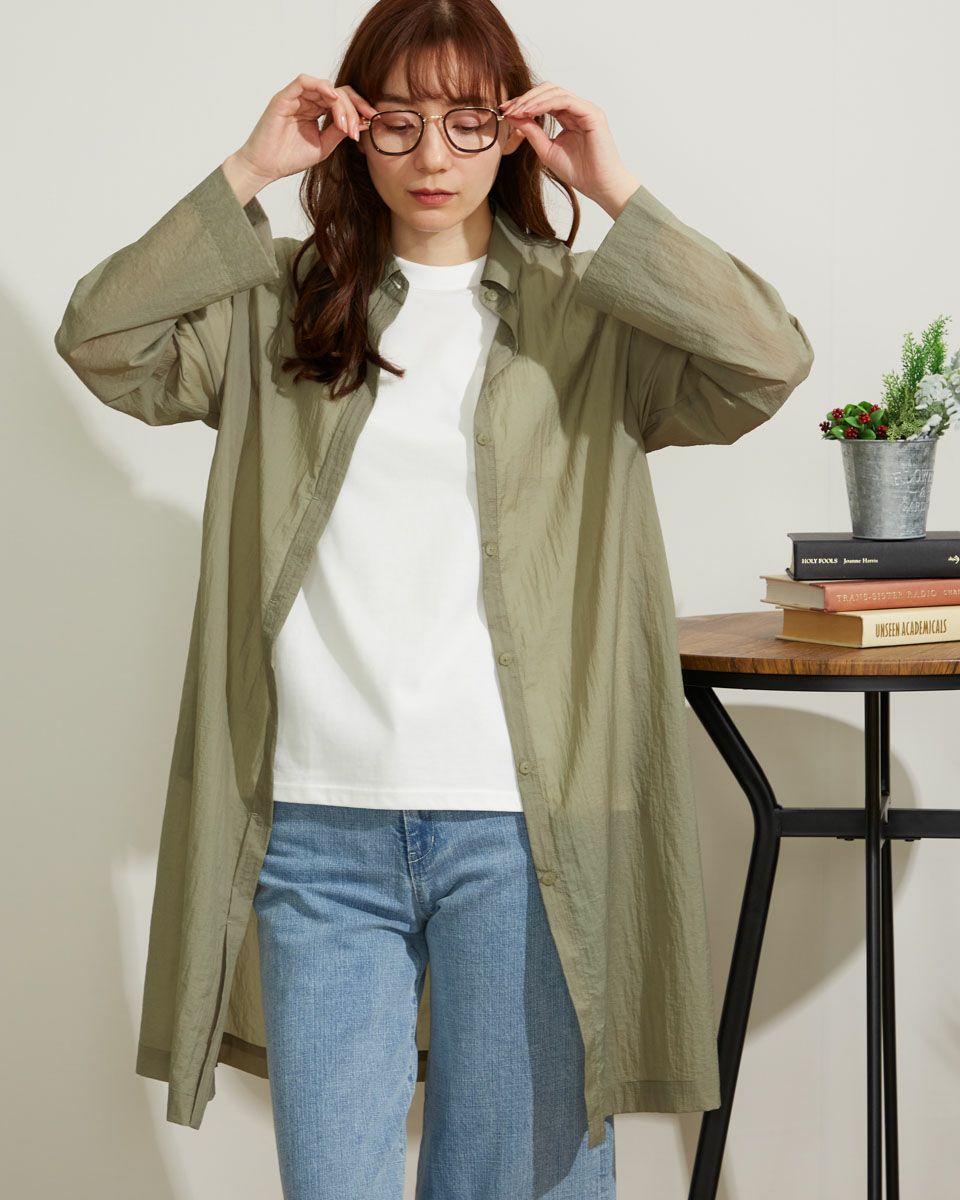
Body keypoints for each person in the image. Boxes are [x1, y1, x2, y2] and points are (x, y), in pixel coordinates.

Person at [54, 0, 814, 1196]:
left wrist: (616, 189)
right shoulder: (282, 305)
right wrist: (248, 169)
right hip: (315, 831)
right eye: (398, 122)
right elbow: (101, 339)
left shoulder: (588, 315)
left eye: (467, 122)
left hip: (524, 833)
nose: (432, 156)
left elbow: (768, 359)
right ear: (352, 129)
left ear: (514, 130)